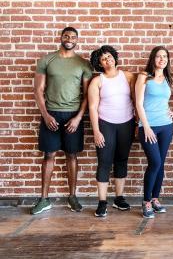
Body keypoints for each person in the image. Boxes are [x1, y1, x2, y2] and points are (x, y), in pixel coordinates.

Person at [31, 27, 93, 215]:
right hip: (51, 114)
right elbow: (38, 91)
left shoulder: (83, 64)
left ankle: (72, 197)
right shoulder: (46, 60)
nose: (69, 39)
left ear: (77, 40)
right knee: (48, 155)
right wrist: (46, 115)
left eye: (73, 37)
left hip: (73, 116)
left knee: (72, 155)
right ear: (61, 37)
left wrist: (78, 118)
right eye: (66, 36)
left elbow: (87, 95)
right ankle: (44, 199)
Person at [135, 46, 173, 218]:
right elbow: (138, 104)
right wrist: (146, 126)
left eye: (165, 56)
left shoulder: (169, 79)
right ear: (153, 59)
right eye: (158, 56)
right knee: (155, 163)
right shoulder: (144, 76)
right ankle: (146, 201)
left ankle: (155, 199)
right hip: (148, 127)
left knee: (161, 163)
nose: (162, 59)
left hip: (166, 126)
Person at [88, 45, 136, 218]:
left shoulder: (128, 76)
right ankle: (102, 202)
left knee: (122, 160)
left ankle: (119, 198)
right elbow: (92, 107)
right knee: (104, 162)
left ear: (114, 57)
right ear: (99, 64)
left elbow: (138, 95)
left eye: (109, 56)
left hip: (127, 123)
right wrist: (96, 131)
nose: (107, 60)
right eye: (103, 59)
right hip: (105, 124)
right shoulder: (97, 81)